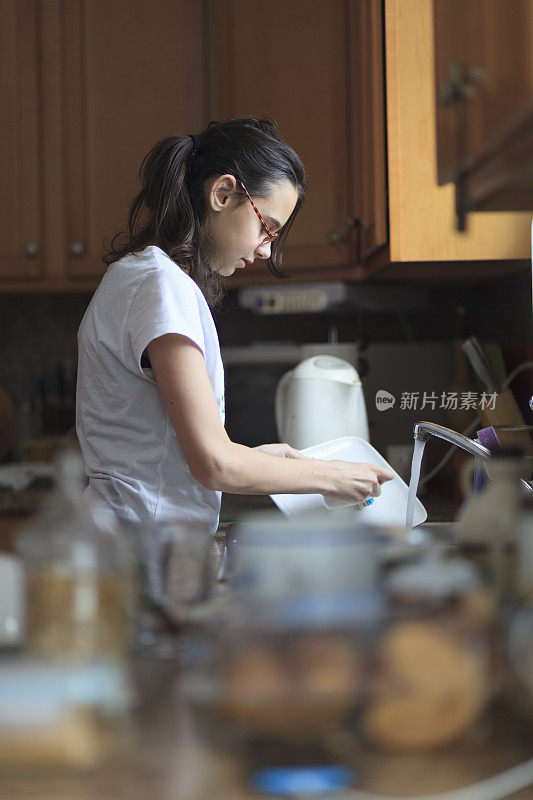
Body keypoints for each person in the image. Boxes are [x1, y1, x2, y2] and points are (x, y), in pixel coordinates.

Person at [76, 117, 393, 533]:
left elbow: (164, 451)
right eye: (267, 228)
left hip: (138, 543)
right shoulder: (160, 285)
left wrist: (258, 460)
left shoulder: (149, 278)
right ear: (222, 194)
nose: (265, 251)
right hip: (138, 550)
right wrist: (333, 476)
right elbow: (213, 464)